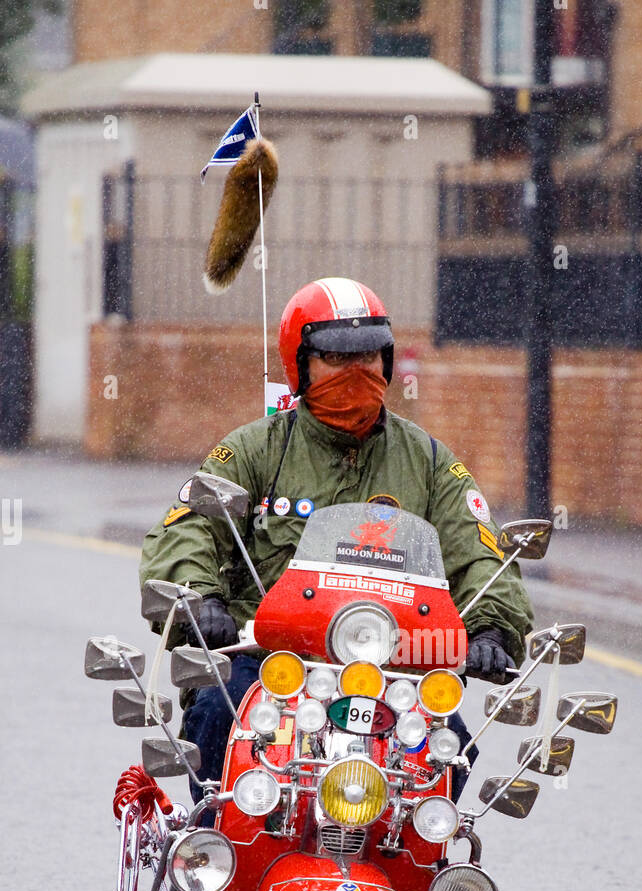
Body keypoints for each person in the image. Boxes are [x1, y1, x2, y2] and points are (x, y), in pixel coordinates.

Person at [139, 276, 534, 803]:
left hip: (389, 668)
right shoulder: (253, 450)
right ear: (300, 364)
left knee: (452, 744)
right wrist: (201, 598)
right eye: (337, 358)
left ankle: (417, 867)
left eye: (370, 356)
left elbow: (479, 549)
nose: (358, 371)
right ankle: (212, 858)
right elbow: (188, 525)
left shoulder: (431, 463)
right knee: (216, 711)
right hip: (266, 658)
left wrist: (490, 630)